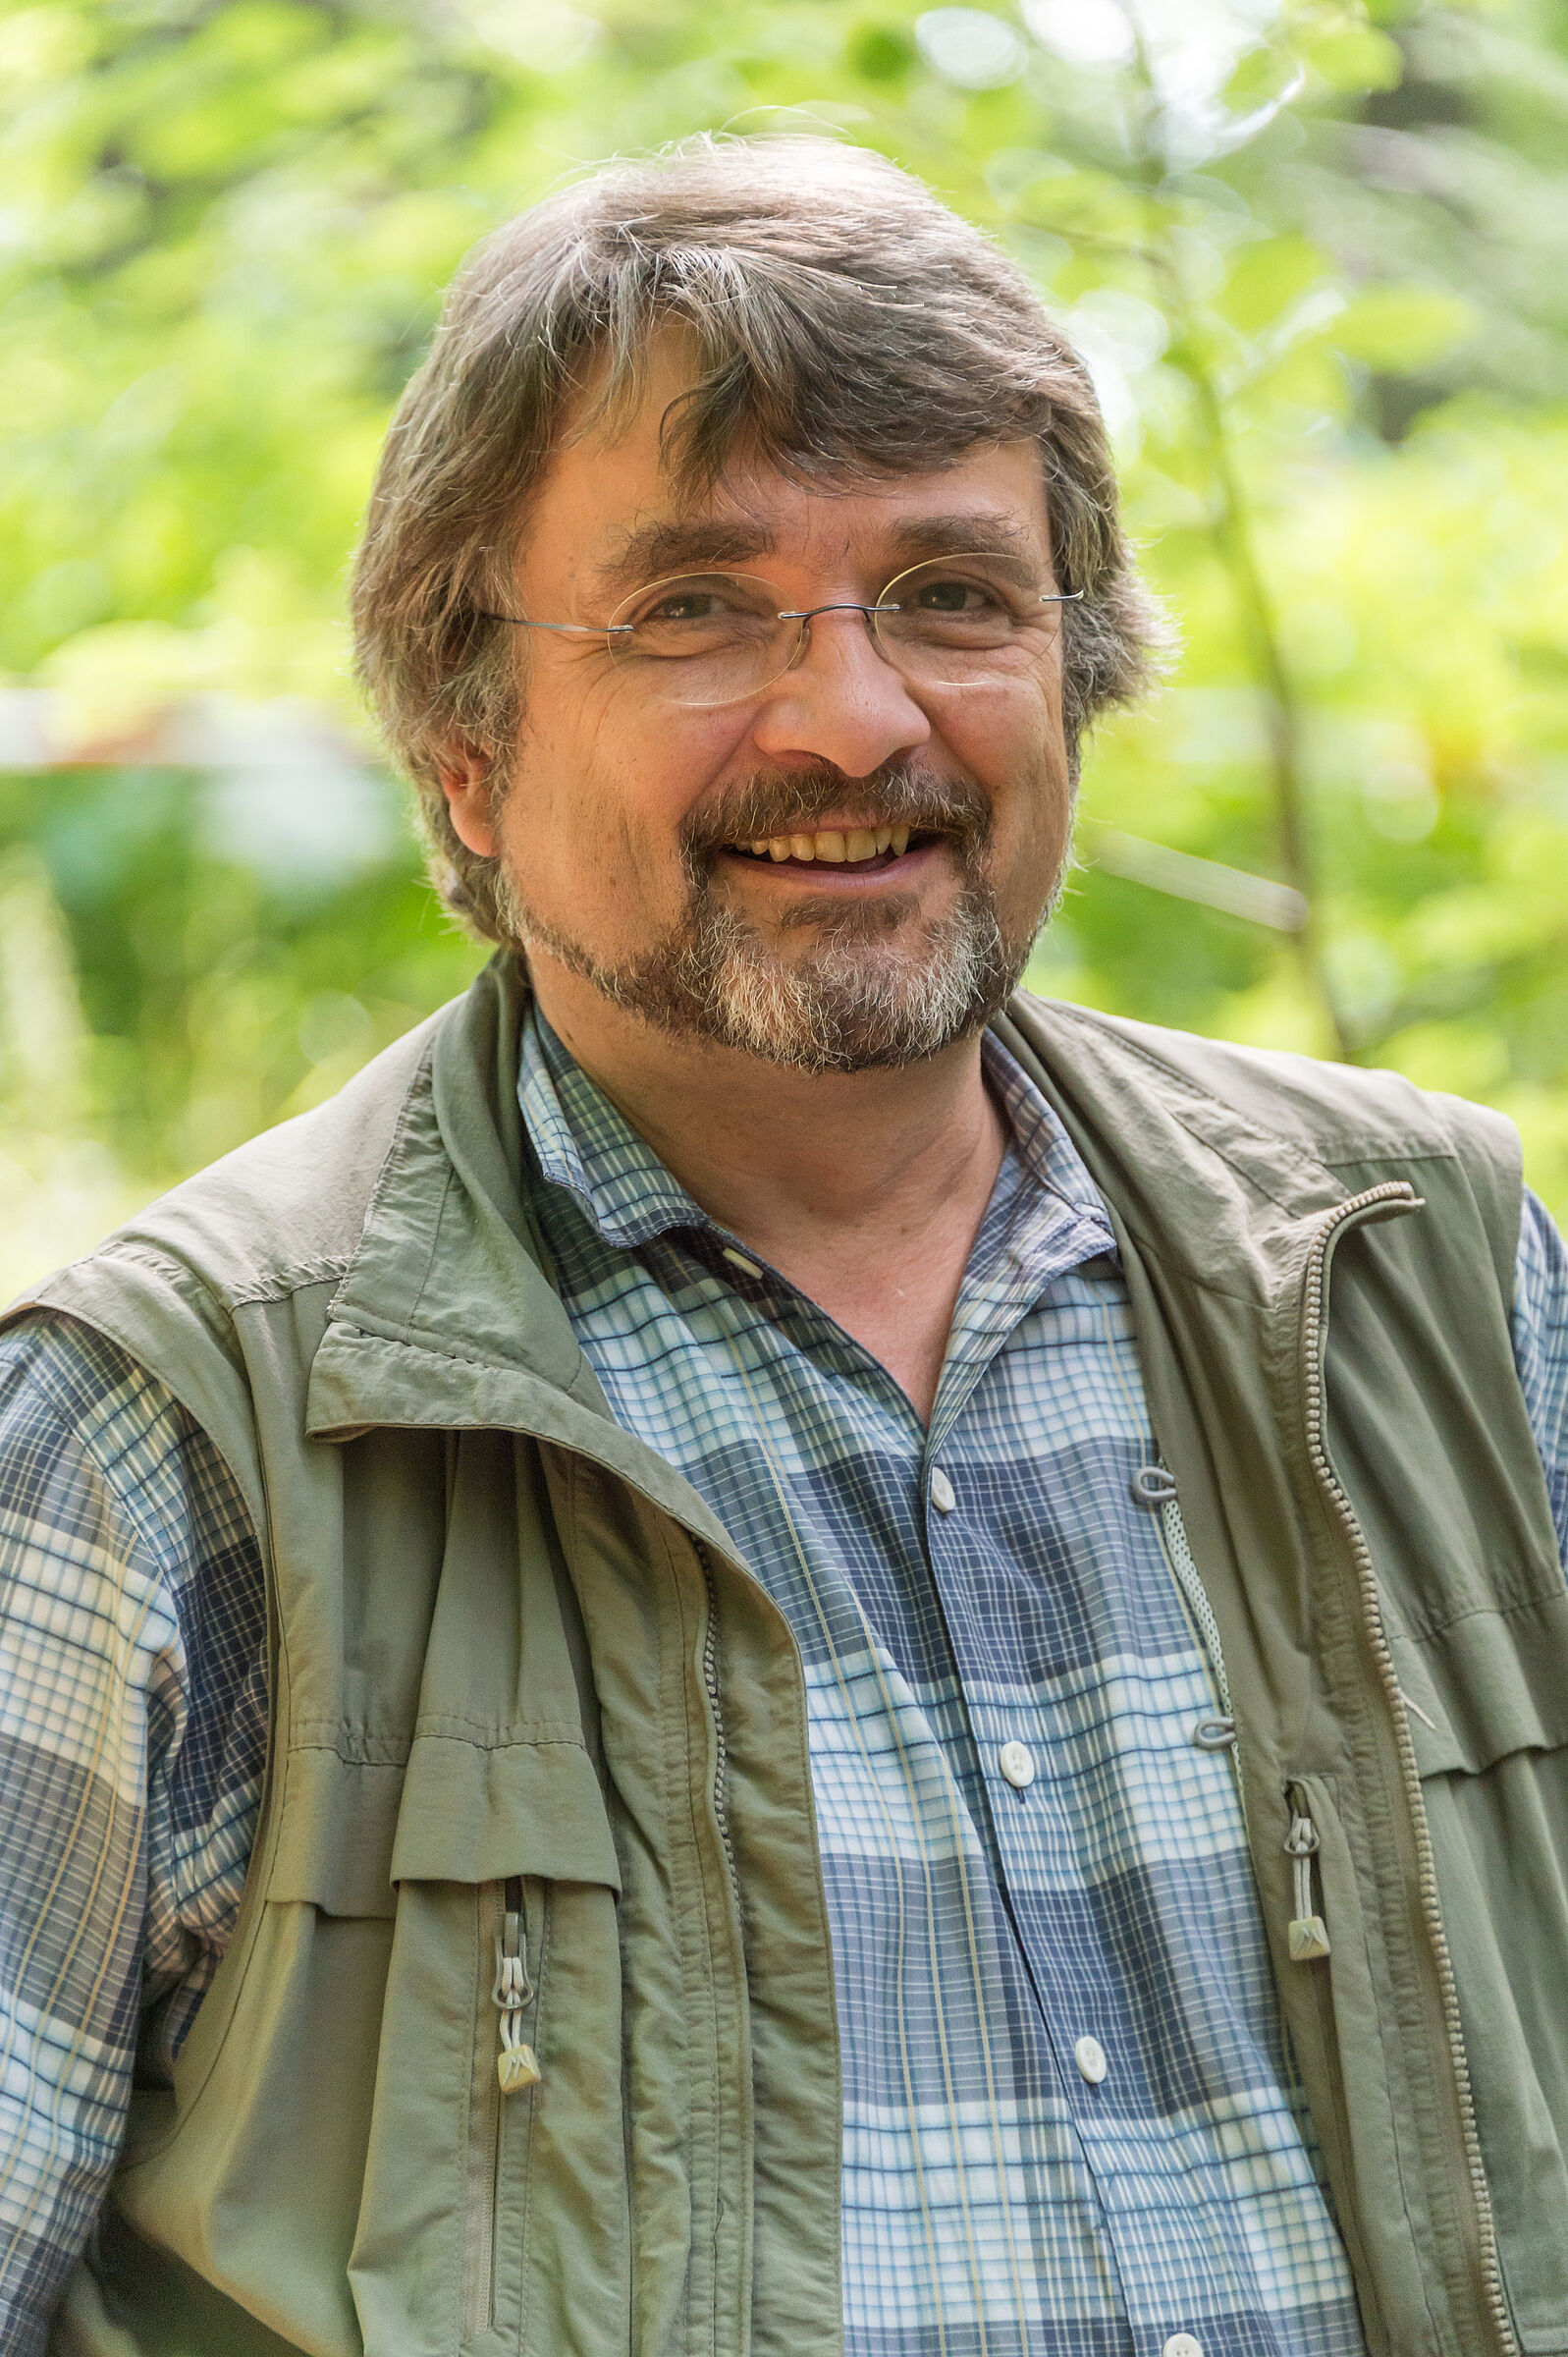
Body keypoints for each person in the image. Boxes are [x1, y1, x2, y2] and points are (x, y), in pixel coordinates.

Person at [0, 135, 1564, 2357]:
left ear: (1076, 665)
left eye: (950, 597)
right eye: (696, 611)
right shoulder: (167, 1436)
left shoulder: (1432, 1283)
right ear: (464, 748)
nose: (853, 716)